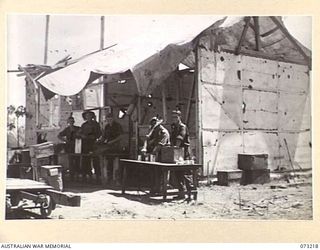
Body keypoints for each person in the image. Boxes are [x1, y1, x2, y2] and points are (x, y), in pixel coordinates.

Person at [170, 110, 192, 199]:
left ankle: (191, 194)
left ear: (180, 117)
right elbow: (173, 139)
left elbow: (180, 139)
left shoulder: (183, 127)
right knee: (178, 173)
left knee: (186, 174)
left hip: (184, 153)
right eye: (173, 117)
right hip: (177, 153)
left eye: (176, 117)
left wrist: (175, 148)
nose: (174, 119)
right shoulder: (174, 127)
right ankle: (181, 193)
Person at [96, 112, 123, 183]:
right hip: (108, 147)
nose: (109, 120)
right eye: (108, 119)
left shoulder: (117, 126)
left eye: (110, 118)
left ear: (113, 118)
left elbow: (120, 136)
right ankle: (109, 178)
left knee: (116, 164)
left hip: (116, 147)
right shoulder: (107, 126)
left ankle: (116, 179)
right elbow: (104, 136)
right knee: (108, 163)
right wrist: (99, 140)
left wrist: (113, 141)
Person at [77, 110, 102, 183]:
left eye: (90, 116)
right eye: (87, 116)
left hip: (93, 143)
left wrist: (94, 137)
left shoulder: (96, 124)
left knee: (95, 160)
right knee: (85, 160)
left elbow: (99, 133)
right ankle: (86, 176)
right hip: (85, 144)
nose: (88, 117)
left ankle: (98, 176)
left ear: (92, 116)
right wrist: (82, 135)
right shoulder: (84, 125)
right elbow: (79, 133)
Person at [57, 116, 80, 181]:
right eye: (70, 121)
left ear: (74, 122)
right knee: (71, 161)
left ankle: (77, 174)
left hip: (77, 146)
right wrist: (65, 140)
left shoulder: (77, 128)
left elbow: (81, 134)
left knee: (77, 160)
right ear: (68, 122)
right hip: (69, 147)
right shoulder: (67, 129)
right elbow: (59, 135)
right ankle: (72, 175)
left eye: (72, 121)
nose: (71, 123)